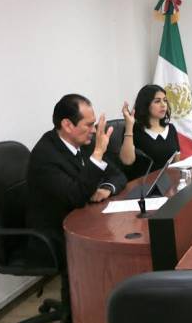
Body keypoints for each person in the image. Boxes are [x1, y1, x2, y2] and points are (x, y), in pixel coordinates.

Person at [26, 94, 126, 265]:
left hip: (85, 221)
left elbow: (118, 175)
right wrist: (98, 153)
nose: (93, 130)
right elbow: (77, 196)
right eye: (88, 125)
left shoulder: (83, 143)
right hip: (55, 235)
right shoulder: (45, 156)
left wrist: (107, 189)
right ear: (67, 125)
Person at [120, 84, 180, 180]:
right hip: (142, 185)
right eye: (157, 101)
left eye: (165, 100)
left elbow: (176, 163)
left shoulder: (171, 129)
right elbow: (127, 161)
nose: (163, 105)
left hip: (168, 183)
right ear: (145, 105)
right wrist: (129, 126)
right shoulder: (134, 130)